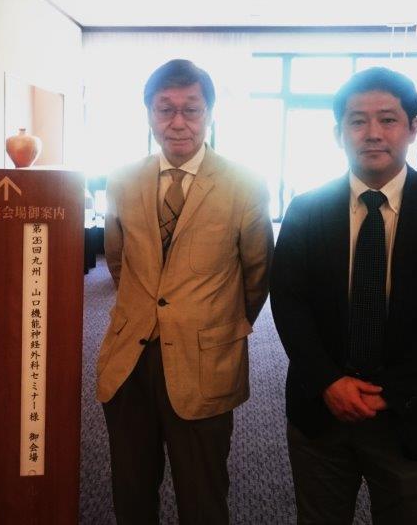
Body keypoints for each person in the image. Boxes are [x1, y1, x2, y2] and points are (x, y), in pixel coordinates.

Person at [270, 67, 417, 524]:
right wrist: (329, 382)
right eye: (357, 121)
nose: (372, 133)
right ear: (338, 132)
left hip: (413, 407)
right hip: (322, 406)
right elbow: (289, 302)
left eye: (388, 119)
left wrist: (392, 392)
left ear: (413, 127)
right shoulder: (306, 209)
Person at [97, 58, 273, 524]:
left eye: (191, 109)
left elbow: (257, 273)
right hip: (130, 358)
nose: (178, 122)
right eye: (165, 109)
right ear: (149, 114)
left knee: (203, 494)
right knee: (131, 489)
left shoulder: (244, 184)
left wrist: (217, 324)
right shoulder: (122, 180)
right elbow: (118, 261)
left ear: (209, 113)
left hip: (204, 359)